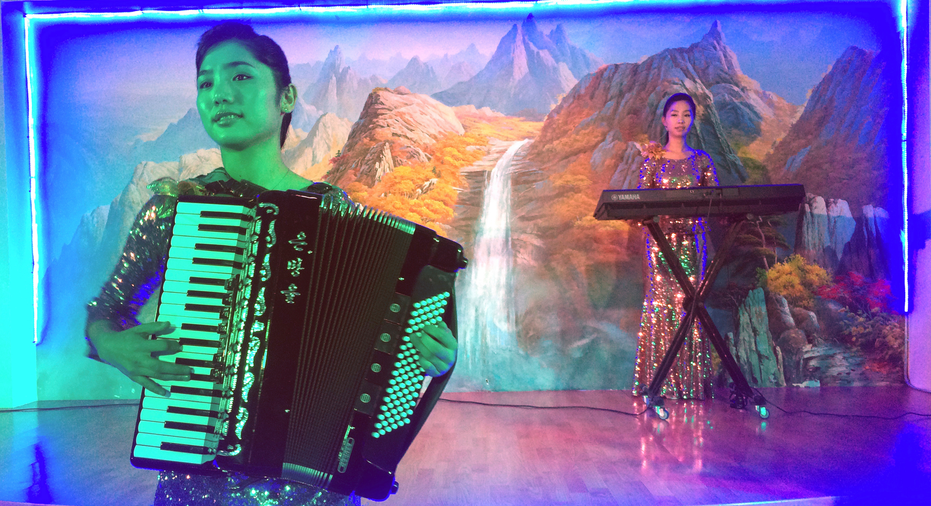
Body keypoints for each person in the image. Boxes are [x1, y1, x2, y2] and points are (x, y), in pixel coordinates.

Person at [85, 22, 458, 506]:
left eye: (240, 76)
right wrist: (110, 344)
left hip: (312, 491)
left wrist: (425, 355)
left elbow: (376, 347)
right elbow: (106, 311)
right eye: (205, 83)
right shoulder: (174, 210)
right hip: (198, 486)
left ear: (286, 98)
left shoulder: (333, 210)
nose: (219, 93)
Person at [631, 92, 718, 401]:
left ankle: (689, 384)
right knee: (662, 305)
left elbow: (716, 201)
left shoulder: (702, 160)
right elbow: (640, 202)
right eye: (674, 114)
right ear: (664, 120)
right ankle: (659, 383)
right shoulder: (653, 160)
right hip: (660, 243)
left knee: (689, 305)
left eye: (686, 114)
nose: (681, 120)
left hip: (694, 242)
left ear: (692, 120)